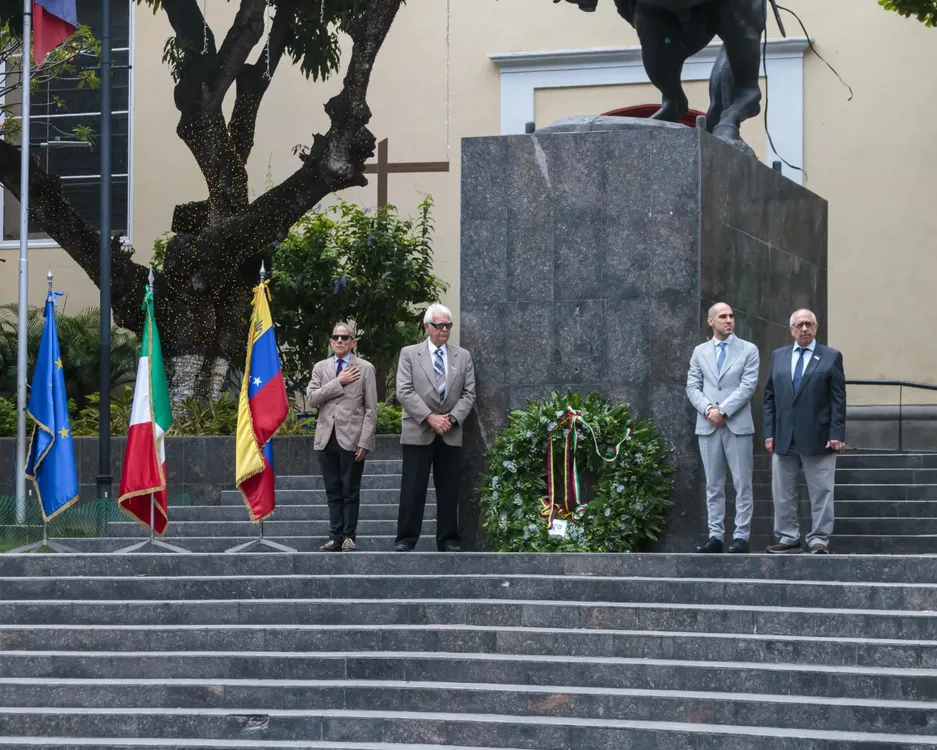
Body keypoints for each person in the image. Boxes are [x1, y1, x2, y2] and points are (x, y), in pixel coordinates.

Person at [763, 309, 846, 554]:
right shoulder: (779, 356)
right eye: (799, 325)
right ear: (791, 330)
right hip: (783, 437)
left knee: (821, 492)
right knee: (783, 492)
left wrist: (837, 433)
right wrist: (769, 431)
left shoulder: (830, 357)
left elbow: (838, 400)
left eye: (809, 324)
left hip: (819, 437)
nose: (804, 329)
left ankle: (819, 539)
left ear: (816, 327)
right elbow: (769, 397)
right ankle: (788, 537)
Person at [394, 303, 476, 552]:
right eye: (439, 325)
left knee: (449, 490)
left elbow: (469, 394)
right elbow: (404, 391)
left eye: (448, 325)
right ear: (427, 327)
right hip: (418, 430)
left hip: (450, 432)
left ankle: (448, 539)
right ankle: (406, 539)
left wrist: (450, 420)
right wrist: (430, 417)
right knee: (412, 489)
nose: (444, 329)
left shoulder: (463, 356)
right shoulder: (409, 353)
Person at [686, 302, 760, 553]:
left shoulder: (748, 350)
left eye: (731, 316)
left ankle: (741, 536)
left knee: (743, 484)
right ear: (711, 322)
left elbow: (748, 386)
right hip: (708, 426)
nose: (729, 320)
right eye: (723, 316)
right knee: (713, 485)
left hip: (737, 425)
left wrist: (723, 411)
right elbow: (692, 387)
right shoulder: (699, 352)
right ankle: (715, 535)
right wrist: (708, 410)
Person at [305, 322, 377, 552]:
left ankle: (349, 536)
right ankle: (335, 536)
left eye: (344, 338)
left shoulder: (365, 368)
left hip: (352, 438)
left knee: (350, 490)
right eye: (335, 337)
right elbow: (312, 399)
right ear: (330, 342)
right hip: (326, 437)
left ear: (353, 342)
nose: (339, 341)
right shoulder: (321, 368)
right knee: (332, 490)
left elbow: (370, 409)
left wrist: (365, 441)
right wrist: (339, 382)